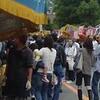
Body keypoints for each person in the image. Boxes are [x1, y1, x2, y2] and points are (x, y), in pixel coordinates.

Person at [4, 33, 33, 100]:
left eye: (16, 38)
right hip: (10, 80)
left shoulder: (28, 52)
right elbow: (9, 63)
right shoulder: (12, 50)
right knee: (9, 96)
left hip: (21, 81)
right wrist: (5, 75)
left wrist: (29, 80)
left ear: (20, 40)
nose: (14, 40)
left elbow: (30, 67)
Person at [92, 35, 100, 100]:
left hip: (98, 68)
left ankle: (96, 98)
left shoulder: (99, 46)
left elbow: (94, 54)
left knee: (94, 84)